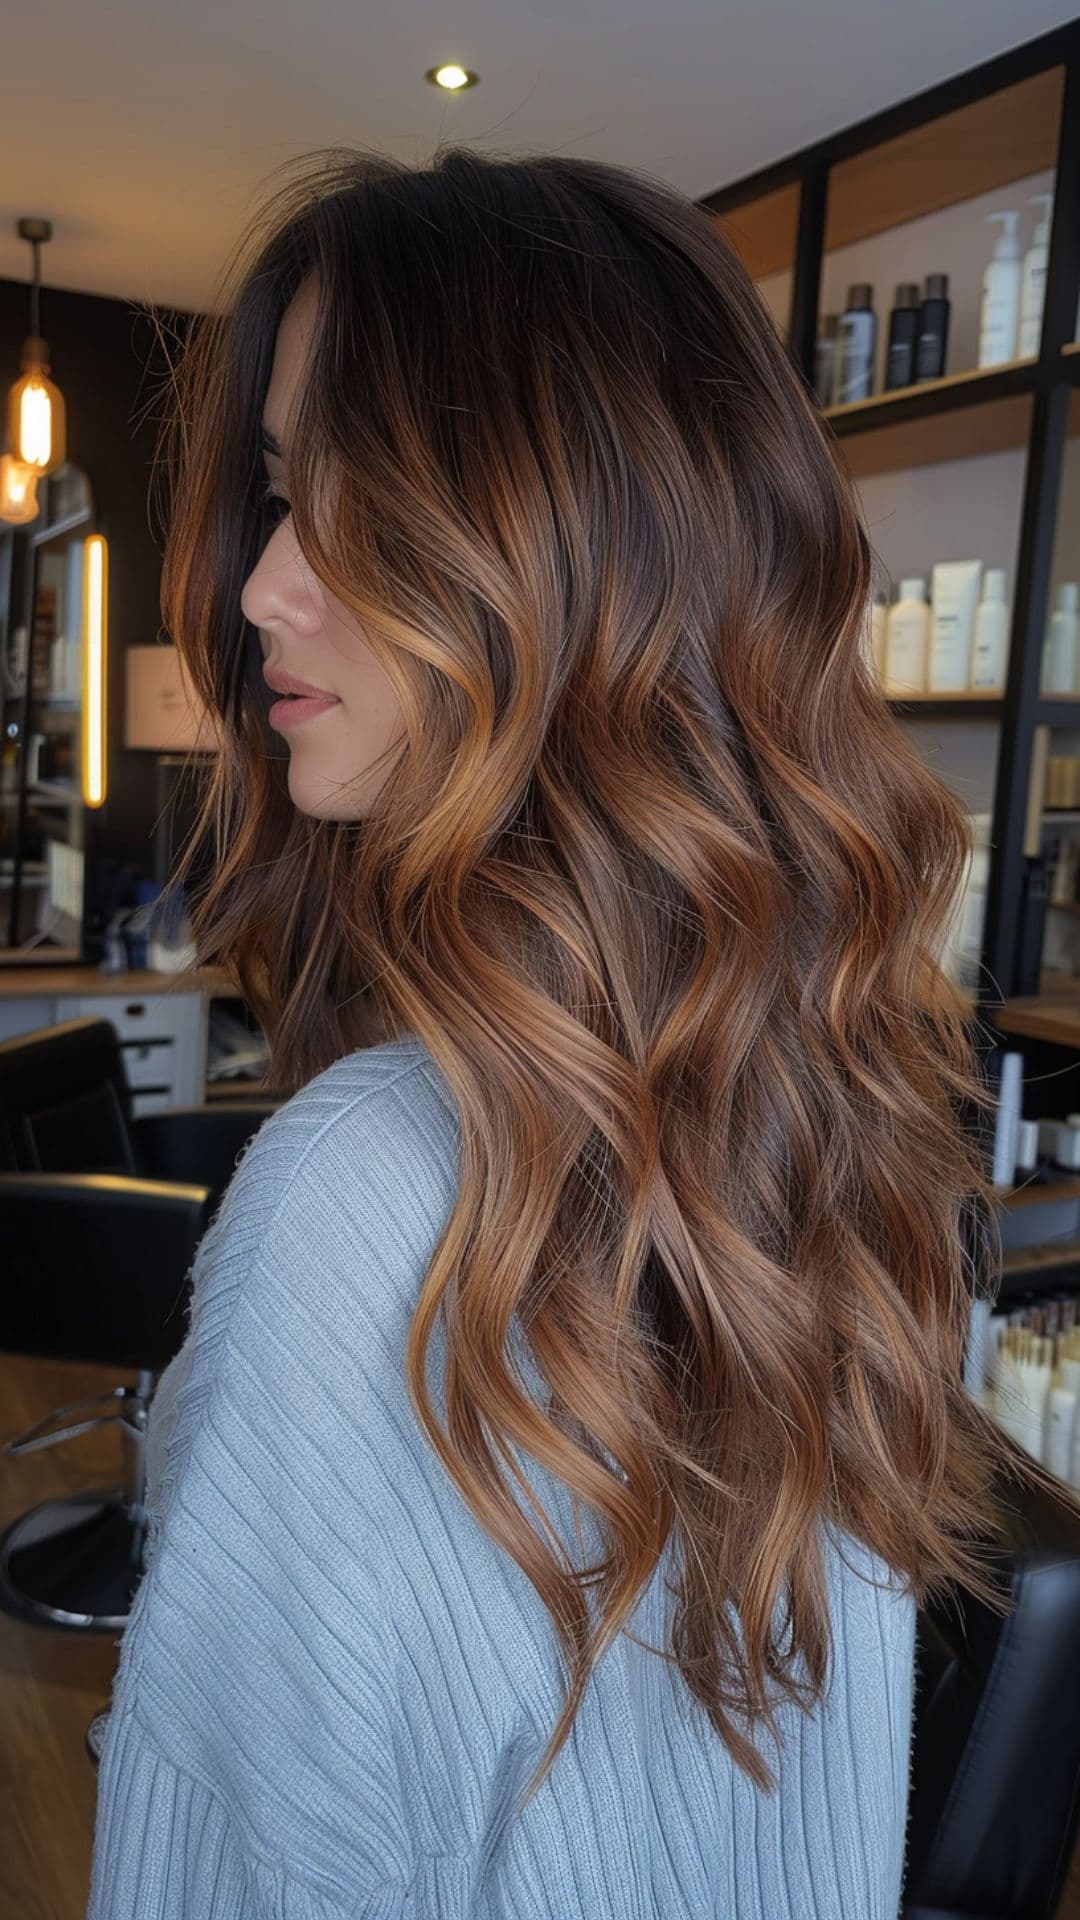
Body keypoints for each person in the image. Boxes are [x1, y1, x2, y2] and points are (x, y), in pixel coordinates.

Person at [87, 145, 1029, 1919]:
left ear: (557, 571)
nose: (261, 589)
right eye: (277, 503)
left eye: (346, 510)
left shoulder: (368, 1196)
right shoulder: (828, 1130)